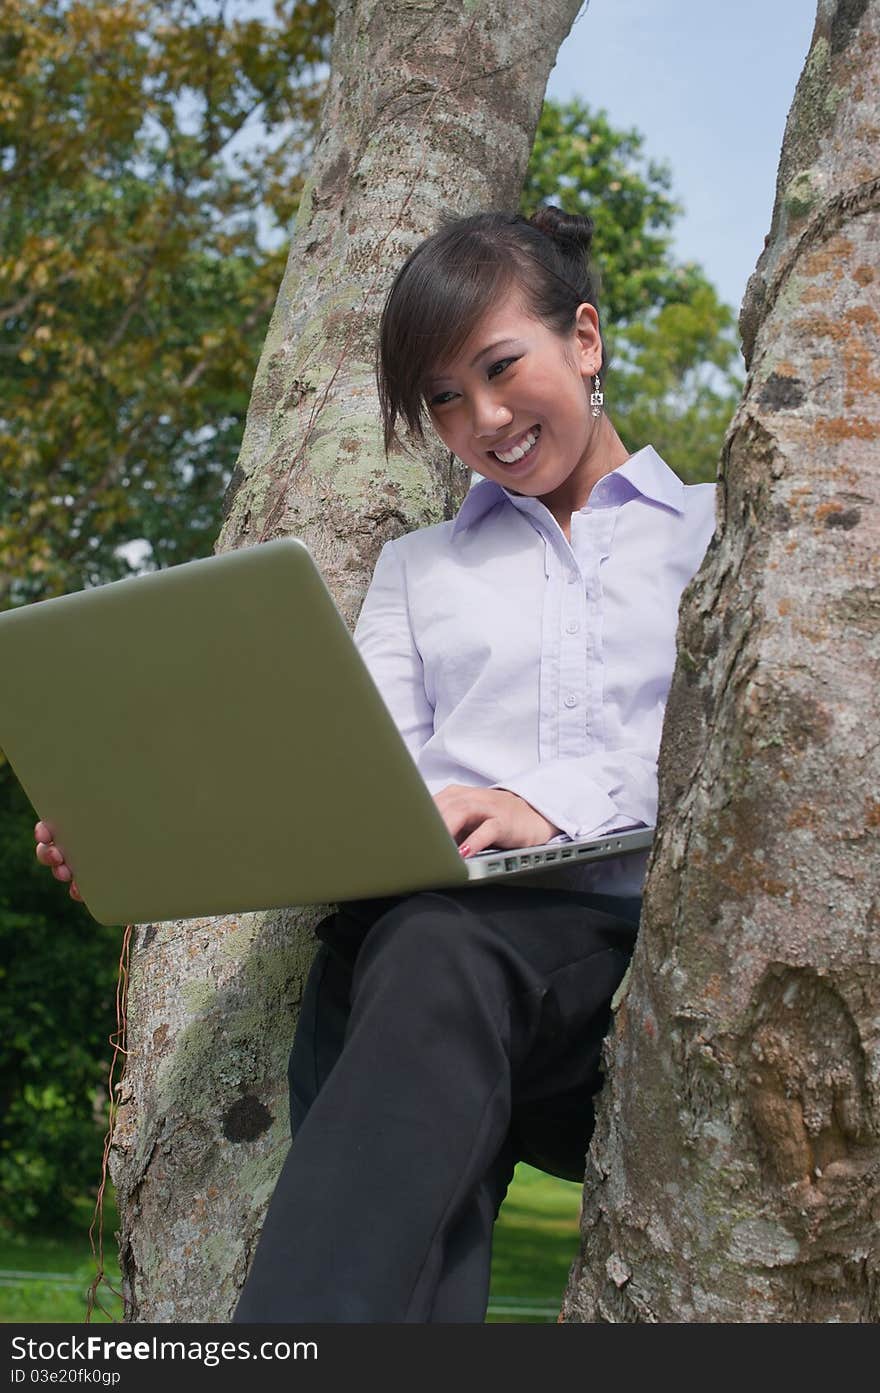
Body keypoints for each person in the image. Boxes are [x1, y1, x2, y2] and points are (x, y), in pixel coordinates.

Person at [35, 206, 716, 1323]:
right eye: (444, 399)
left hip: (611, 973)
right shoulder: (419, 569)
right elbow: (353, 778)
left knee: (437, 949)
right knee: (398, 946)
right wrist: (135, 827)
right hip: (423, 968)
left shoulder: (715, 532)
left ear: (583, 340)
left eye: (501, 369)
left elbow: (735, 769)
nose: (484, 418)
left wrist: (539, 804)